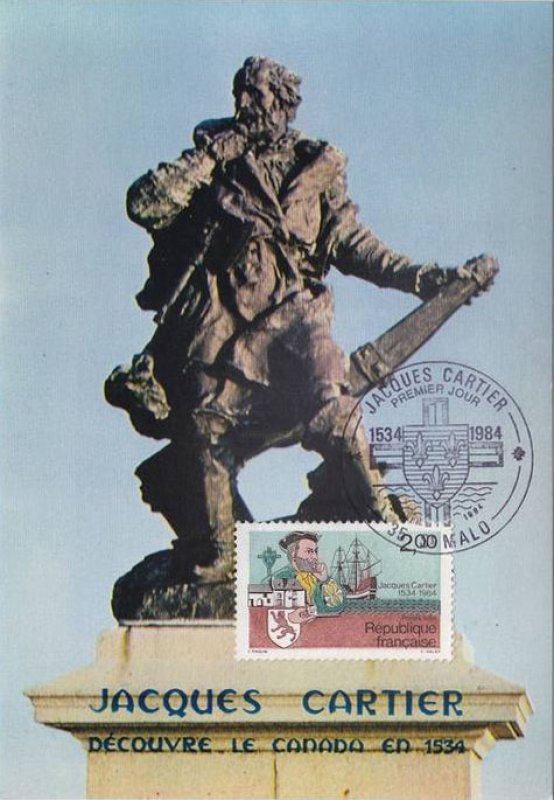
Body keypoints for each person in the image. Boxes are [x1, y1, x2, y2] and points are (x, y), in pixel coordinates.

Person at [106, 56, 485, 584]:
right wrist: (214, 154)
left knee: (331, 407)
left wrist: (422, 278)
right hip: (223, 318)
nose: (243, 103)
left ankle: (385, 522)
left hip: (294, 313)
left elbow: (352, 244)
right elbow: (145, 204)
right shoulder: (215, 156)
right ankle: (223, 552)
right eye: (239, 93)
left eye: (255, 94)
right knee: (205, 427)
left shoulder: (318, 165)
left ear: (283, 103)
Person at [272, 532, 346, 615]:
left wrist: (325, 581)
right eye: (309, 551)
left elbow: (338, 607)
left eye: (315, 551)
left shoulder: (319, 578)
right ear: (294, 554)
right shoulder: (281, 577)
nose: (315, 557)